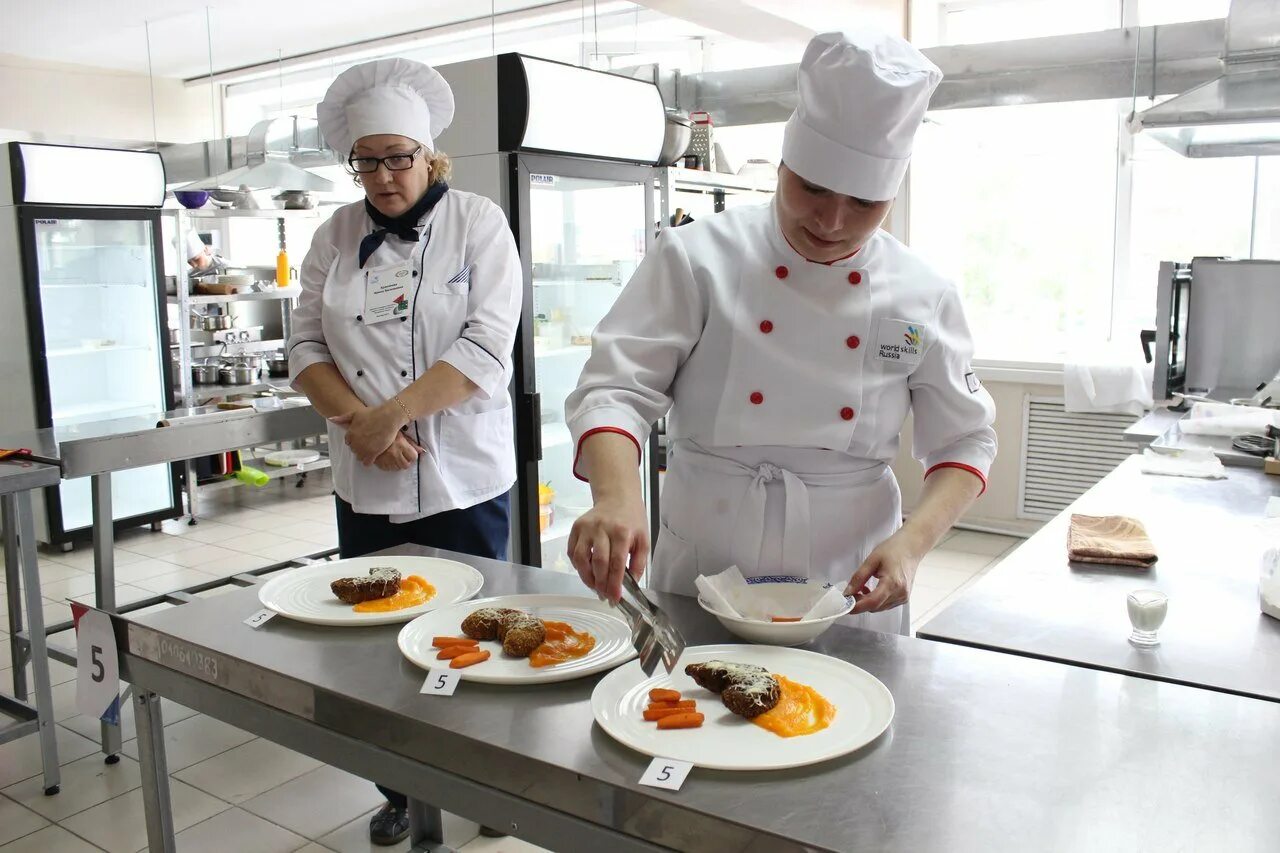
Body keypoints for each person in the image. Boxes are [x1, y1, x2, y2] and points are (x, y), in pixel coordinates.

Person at [565, 30, 997, 634]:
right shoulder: (698, 257)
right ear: (785, 163)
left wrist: (912, 545)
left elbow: (966, 442)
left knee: (847, 715)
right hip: (708, 558)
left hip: (851, 572)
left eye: (864, 202)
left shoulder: (923, 291)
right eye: (812, 187)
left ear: (892, 196)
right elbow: (614, 388)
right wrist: (615, 496)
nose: (831, 219)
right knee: (687, 712)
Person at [289, 57, 522, 846]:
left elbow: (487, 346)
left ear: (429, 156)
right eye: (368, 161)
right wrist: (362, 423)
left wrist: (386, 415)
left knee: (474, 635)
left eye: (398, 157)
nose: (384, 176)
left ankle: (491, 780)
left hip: (463, 481)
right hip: (366, 482)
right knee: (380, 643)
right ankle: (399, 785)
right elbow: (304, 343)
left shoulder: (479, 224)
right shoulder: (333, 235)